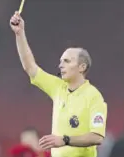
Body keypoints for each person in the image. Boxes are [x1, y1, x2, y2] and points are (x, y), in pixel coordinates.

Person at [10, 11, 107, 157]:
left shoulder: (94, 96)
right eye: (61, 61)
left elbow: (97, 137)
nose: (60, 65)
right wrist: (19, 34)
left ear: (82, 67)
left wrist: (65, 140)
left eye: (67, 61)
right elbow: (30, 67)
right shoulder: (58, 87)